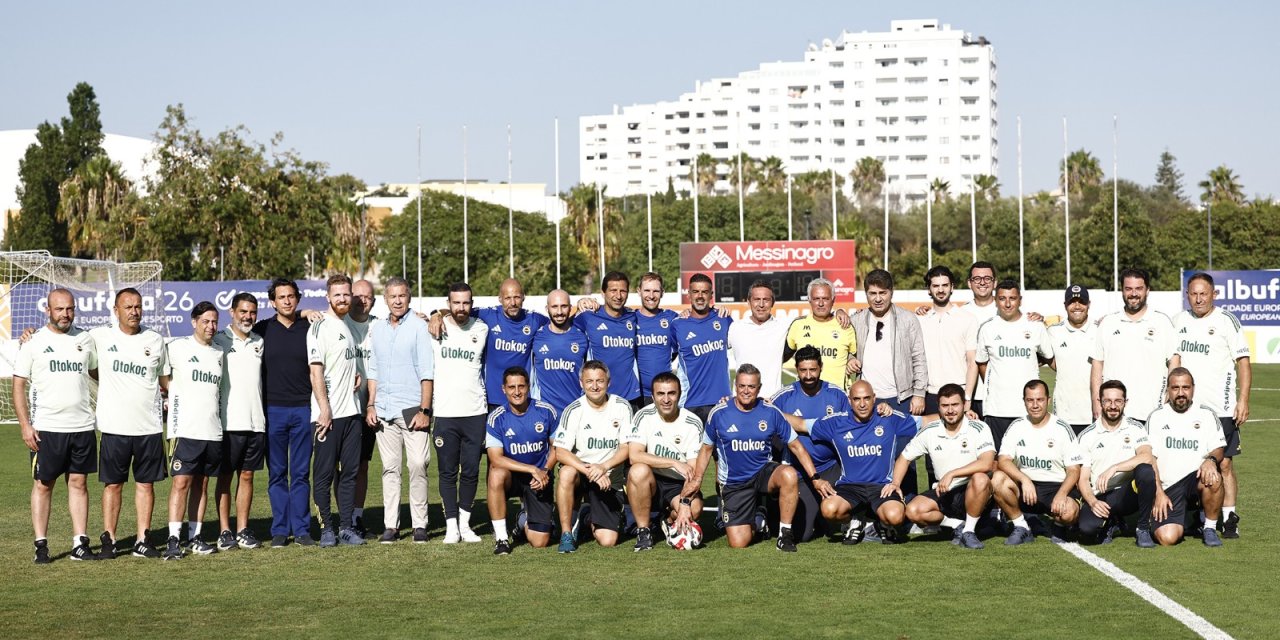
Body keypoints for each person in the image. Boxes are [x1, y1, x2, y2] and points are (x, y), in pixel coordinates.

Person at [693, 364, 832, 552]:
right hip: (735, 482)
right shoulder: (719, 413)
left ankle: (785, 534)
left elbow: (796, 446)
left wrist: (815, 478)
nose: (746, 391)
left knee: (789, 474)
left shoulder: (770, 412)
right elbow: (706, 449)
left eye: (751, 386)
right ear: (735, 386)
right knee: (738, 543)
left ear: (759, 388)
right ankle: (759, 518)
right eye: (742, 386)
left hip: (762, 472)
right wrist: (697, 480)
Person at [16, 288, 100, 563]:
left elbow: (98, 373)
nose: (65, 314)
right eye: (60, 309)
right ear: (48, 311)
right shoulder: (33, 342)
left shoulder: (85, 340)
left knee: (79, 483)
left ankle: (80, 543)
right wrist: (25, 425)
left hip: (82, 426)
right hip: (47, 428)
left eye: (70, 309)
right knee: (44, 485)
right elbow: (18, 385)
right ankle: (41, 545)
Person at [91, 288, 169, 559]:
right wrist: (30, 334)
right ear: (116, 310)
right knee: (113, 485)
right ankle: (109, 540)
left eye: (138, 306)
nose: (134, 312)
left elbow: (165, 378)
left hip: (149, 427)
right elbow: (70, 342)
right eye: (128, 307)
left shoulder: (155, 339)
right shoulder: (100, 337)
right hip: (115, 427)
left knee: (146, 485)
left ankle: (142, 540)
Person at [1173, 272, 1250, 538]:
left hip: (1221, 408)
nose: (1198, 299)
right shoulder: (1178, 321)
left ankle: (1229, 518)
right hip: (1187, 408)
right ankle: (1199, 514)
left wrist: (1243, 399)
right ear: (1187, 295)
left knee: (1224, 464)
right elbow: (1173, 360)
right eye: (1193, 294)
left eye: (1203, 294)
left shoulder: (1227, 321)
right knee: (1188, 461)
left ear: (1213, 294)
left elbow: (1243, 362)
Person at [801, 381, 916, 545]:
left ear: (874, 398)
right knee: (829, 509)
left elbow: (926, 421)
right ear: (849, 401)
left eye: (867, 398)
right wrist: (769, 411)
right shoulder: (836, 422)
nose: (862, 404)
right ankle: (854, 521)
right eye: (856, 399)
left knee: (895, 516)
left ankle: (880, 524)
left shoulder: (889, 418)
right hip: (850, 487)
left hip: (882, 487)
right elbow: (800, 424)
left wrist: (956, 414)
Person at [365, 276, 434, 544]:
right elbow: (373, 371)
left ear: (409, 297)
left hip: (413, 409)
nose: (397, 301)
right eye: (392, 296)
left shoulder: (419, 327)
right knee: (390, 469)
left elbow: (427, 372)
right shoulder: (378, 329)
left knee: (418, 465)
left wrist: (425, 410)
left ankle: (420, 525)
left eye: (402, 296)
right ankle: (391, 526)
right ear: (385, 299)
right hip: (384, 410)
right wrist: (371, 404)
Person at [890, 384, 994, 549]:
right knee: (913, 511)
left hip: (972, 490)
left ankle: (969, 531)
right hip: (944, 491)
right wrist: (895, 483)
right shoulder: (930, 431)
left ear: (964, 405)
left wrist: (952, 473)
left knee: (980, 478)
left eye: (955, 405)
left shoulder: (978, 427)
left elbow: (987, 462)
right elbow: (904, 458)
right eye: (945, 406)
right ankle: (957, 525)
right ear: (938, 407)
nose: (950, 410)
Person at [161, 302, 227, 560]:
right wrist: (174, 393)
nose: (210, 326)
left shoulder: (219, 351)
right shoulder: (177, 348)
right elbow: (162, 376)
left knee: (202, 482)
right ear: (194, 322)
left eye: (214, 321)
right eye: (205, 321)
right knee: (181, 482)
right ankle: (173, 539)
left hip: (211, 430)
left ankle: (195, 537)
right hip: (184, 429)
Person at [1133, 368, 1226, 547]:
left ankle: (1209, 528)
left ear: (1193, 389)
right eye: (1175, 388)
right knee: (1167, 538)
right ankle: (1187, 520)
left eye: (1186, 387)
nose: (1181, 393)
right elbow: (1150, 459)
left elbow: (1219, 448)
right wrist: (1158, 493)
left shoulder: (1207, 414)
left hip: (1195, 479)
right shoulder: (1157, 417)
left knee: (1214, 477)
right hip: (1168, 487)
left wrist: (1211, 460)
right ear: (1168, 390)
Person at [767, 346, 851, 542]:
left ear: (821, 367)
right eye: (803, 370)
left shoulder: (837, 395)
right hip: (799, 472)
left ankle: (846, 518)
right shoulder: (784, 397)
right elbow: (761, 412)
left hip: (832, 468)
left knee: (837, 513)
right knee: (801, 535)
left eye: (813, 369)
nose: (808, 375)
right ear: (796, 369)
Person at [254, 278, 315, 547]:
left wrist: (304, 314)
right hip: (272, 411)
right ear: (273, 302)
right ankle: (280, 529)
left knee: (301, 473)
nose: (287, 301)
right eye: (281, 297)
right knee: (277, 473)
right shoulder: (262, 329)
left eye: (291, 296)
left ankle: (302, 530)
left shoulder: (310, 327)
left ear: (298, 299)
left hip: (303, 409)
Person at [552, 360, 634, 552]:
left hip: (608, 479)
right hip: (582, 474)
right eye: (589, 381)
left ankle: (587, 515)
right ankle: (566, 534)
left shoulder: (622, 407)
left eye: (600, 381)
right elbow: (560, 452)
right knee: (566, 472)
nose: (595, 386)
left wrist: (603, 467)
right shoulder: (573, 410)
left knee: (608, 540)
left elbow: (626, 448)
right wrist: (591, 471)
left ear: (608, 382)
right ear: (581, 383)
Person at [308, 274, 365, 548]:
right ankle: (326, 529)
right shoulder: (319, 327)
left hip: (352, 413)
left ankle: (346, 528)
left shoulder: (347, 325)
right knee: (324, 475)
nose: (342, 299)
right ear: (328, 297)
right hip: (327, 416)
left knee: (349, 474)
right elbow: (315, 371)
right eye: (337, 295)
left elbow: (341, 363)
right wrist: (324, 409)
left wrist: (355, 375)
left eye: (346, 294)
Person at [991, 380, 1083, 545]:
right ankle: (1021, 526)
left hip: (1055, 487)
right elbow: (1003, 460)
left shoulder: (1062, 428)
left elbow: (1074, 470)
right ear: (1024, 401)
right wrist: (1024, 479)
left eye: (1040, 400)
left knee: (1068, 513)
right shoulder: (1016, 426)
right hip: (1025, 487)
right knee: (997, 479)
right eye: (1030, 400)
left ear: (1048, 400)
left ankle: (1058, 525)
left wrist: (1062, 494)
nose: (1035, 405)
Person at [431, 282, 489, 544]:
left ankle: (465, 526)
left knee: (471, 471)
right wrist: (435, 314)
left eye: (466, 302)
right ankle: (451, 526)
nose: (461, 307)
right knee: (447, 472)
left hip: (475, 412)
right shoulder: (435, 327)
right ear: (448, 304)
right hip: (445, 412)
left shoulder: (482, 328)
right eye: (456, 303)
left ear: (472, 304)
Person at [624, 372, 705, 552]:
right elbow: (634, 455)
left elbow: (692, 471)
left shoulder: (693, 423)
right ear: (653, 397)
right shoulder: (643, 416)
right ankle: (644, 531)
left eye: (671, 393)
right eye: (660, 394)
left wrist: (684, 504)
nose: (666, 399)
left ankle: (667, 520)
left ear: (679, 394)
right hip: (650, 480)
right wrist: (673, 462)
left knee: (695, 509)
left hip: (678, 484)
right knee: (638, 470)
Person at [212, 292, 266, 551]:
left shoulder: (259, 341)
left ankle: (243, 529)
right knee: (224, 478)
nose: (248, 316)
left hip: (256, 423)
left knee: (247, 476)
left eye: (252, 312)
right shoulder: (218, 340)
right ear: (232, 312)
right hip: (228, 423)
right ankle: (224, 531)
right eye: (243, 311)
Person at [485, 367, 559, 555]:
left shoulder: (546, 411)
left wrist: (545, 470)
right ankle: (501, 538)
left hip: (539, 478)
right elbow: (495, 458)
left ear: (529, 386)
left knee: (540, 542)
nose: (517, 392)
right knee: (495, 473)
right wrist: (532, 469)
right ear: (503, 389)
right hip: (512, 477)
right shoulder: (496, 418)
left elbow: (556, 447)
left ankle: (522, 519)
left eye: (521, 386)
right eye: (511, 387)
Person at [1091, 267, 1178, 424]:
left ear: (1147, 290)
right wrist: (1096, 401)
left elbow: (1174, 361)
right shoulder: (1108, 323)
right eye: (1128, 289)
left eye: (1139, 288)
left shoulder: (1162, 322)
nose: (1133, 293)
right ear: (1122, 291)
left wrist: (1169, 396)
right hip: (1114, 412)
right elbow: (1097, 365)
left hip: (1152, 412)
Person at [975, 279, 1054, 449]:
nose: (1008, 303)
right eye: (1002, 298)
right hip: (997, 409)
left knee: (1029, 458)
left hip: (1028, 410)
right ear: (995, 301)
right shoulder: (987, 328)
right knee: (997, 461)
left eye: (1012, 298)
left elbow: (1049, 357)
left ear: (1020, 300)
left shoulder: (1035, 326)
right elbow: (981, 363)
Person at [1076, 380, 1150, 544]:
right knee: (1086, 529)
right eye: (1108, 401)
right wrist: (1093, 502)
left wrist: (1115, 468)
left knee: (1146, 472)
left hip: (1127, 493)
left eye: (1118, 401)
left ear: (1125, 402)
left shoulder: (1136, 428)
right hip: (1101, 495)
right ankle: (1113, 520)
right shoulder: (1087, 436)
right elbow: (1083, 479)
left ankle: (1143, 528)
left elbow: (1147, 457)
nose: (1113, 406)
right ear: (1100, 402)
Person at [574, 271, 641, 408]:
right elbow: (562, 326)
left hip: (630, 396)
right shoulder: (588, 317)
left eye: (623, 291)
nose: (618, 296)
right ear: (603, 293)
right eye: (613, 291)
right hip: (599, 395)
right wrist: (579, 305)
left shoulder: (633, 316)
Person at [918, 266, 978, 416]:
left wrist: (967, 397)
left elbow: (972, 362)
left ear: (952, 287)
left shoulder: (968, 319)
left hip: (958, 393)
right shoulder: (919, 320)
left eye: (945, 285)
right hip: (929, 395)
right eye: (935, 286)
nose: (940, 290)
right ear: (929, 289)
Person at [674, 273, 732, 424]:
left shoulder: (724, 318)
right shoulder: (677, 325)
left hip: (723, 401)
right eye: (695, 292)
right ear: (689, 294)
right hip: (691, 403)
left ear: (711, 295)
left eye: (704, 292)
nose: (700, 296)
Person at [345, 278, 377, 538]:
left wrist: (434, 314)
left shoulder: (380, 326)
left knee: (362, 465)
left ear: (373, 301)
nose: (362, 301)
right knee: (342, 467)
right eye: (357, 295)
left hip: (369, 408)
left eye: (367, 297)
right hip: (343, 408)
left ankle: (356, 517)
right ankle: (342, 517)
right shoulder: (338, 324)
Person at [784, 277, 857, 390]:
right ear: (809, 300)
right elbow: (780, 357)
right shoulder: (798, 325)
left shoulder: (846, 326)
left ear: (833, 300)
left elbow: (857, 357)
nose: (821, 303)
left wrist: (851, 360)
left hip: (837, 394)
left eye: (825, 299)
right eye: (816, 299)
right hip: (805, 395)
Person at [727, 280, 791, 398]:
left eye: (766, 300)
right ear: (749, 302)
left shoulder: (783, 327)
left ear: (772, 303)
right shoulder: (735, 328)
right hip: (742, 401)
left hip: (773, 401)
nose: (761, 304)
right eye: (756, 299)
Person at [530, 289, 590, 414]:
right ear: (547, 309)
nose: (559, 312)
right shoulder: (536, 336)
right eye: (554, 307)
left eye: (564, 306)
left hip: (575, 411)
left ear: (570, 308)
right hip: (544, 413)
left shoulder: (582, 337)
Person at [1046, 285, 1096, 434]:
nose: (1077, 306)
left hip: (1094, 413)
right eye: (1072, 302)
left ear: (1089, 304)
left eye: (1082, 302)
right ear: (1065, 305)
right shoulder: (1053, 331)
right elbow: (1048, 359)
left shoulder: (1100, 330)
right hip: (1064, 413)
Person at [959, 261, 998, 417]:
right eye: (977, 278)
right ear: (969, 283)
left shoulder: (1006, 310)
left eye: (987, 278)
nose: (982, 282)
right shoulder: (960, 313)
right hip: (969, 396)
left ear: (995, 283)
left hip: (1000, 395)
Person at [634, 272, 679, 405]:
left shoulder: (672, 318)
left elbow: (676, 350)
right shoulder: (629, 319)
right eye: (647, 290)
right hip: (636, 393)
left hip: (664, 394)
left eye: (656, 291)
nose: (651, 295)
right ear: (639, 291)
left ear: (662, 293)